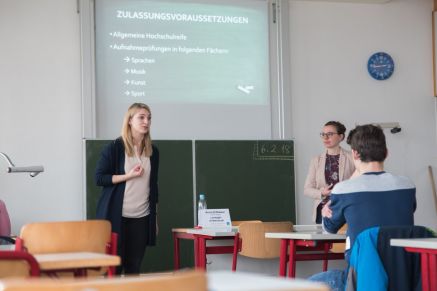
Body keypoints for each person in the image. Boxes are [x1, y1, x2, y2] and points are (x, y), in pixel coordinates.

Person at [308, 124, 416, 290]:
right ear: (386, 153)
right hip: (405, 276)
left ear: (355, 154)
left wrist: (325, 209)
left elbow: (329, 229)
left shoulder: (345, 189)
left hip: (361, 277)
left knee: (306, 284)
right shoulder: (407, 185)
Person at [95, 103, 159, 275]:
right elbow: (99, 178)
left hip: (142, 218)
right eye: (141, 117)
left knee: (134, 268)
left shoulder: (153, 152)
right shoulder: (114, 148)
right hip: (117, 217)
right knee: (114, 269)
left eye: (149, 118)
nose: (146, 121)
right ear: (130, 120)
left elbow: (154, 188)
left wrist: (155, 219)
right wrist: (128, 176)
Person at [304, 121, 355, 223]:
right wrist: (321, 193)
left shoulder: (352, 157)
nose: (325, 138)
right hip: (322, 212)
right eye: (323, 134)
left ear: (341, 137)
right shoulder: (316, 160)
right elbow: (307, 189)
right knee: (322, 239)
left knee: (344, 239)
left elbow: (359, 183)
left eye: (330, 134)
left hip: (345, 210)